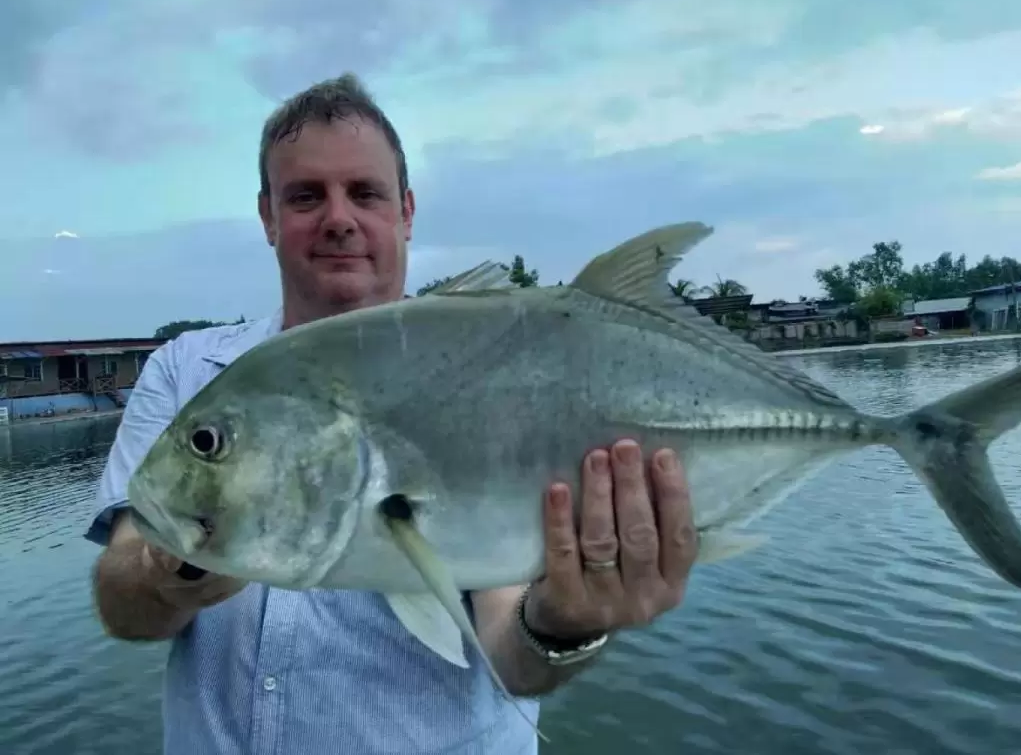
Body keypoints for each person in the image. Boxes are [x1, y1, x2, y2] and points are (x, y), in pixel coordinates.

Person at [85, 73, 699, 754]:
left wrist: (562, 623)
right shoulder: (188, 371)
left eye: (365, 192)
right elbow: (123, 605)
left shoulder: (490, 369)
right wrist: (174, 572)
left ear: (406, 210)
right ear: (267, 216)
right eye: (306, 195)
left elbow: (510, 650)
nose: (339, 218)